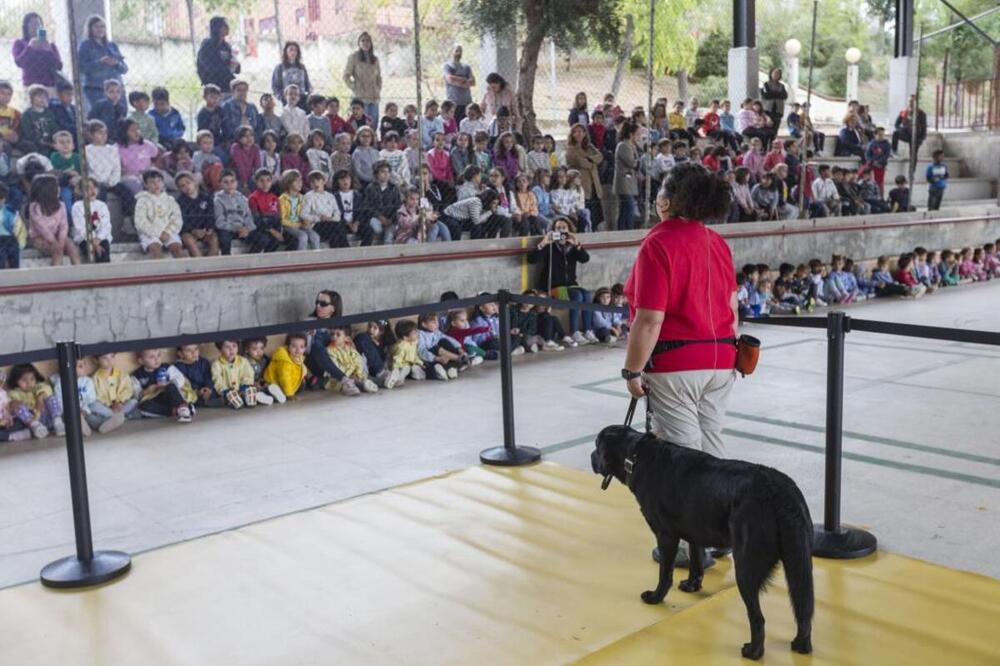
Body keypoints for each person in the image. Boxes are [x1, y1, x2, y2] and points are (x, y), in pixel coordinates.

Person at [622, 163, 738, 567]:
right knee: (713, 447)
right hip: (723, 358)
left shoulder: (658, 244)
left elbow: (650, 317)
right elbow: (732, 307)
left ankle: (692, 546)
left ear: (666, 201)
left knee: (681, 456)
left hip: (676, 362)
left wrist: (632, 370)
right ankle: (723, 532)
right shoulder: (716, 242)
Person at [527, 217, 596, 344]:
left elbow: (585, 259)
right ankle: (574, 331)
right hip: (554, 287)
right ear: (553, 231)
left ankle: (588, 329)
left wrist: (577, 245)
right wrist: (543, 243)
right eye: (558, 228)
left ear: (569, 230)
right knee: (577, 296)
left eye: (564, 228)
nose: (561, 231)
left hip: (571, 285)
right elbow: (531, 259)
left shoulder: (572, 247)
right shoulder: (550, 247)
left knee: (586, 294)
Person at [28, 174, 79, 266]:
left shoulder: (61, 205)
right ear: (47, 190)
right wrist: (54, 242)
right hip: (39, 237)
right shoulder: (35, 207)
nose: (59, 189)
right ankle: (56, 274)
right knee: (57, 249)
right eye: (56, 186)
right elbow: (42, 228)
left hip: (57, 236)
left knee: (72, 246)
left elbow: (64, 225)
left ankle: (79, 272)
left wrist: (61, 240)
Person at [78, 16, 127, 111]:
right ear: (90, 29)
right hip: (96, 89)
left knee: (121, 114)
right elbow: (82, 68)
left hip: (116, 89)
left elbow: (124, 69)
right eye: (96, 26)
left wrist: (116, 63)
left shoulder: (112, 45)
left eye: (102, 26)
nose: (100, 29)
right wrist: (100, 62)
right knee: (101, 115)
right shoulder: (85, 46)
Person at [134, 169, 184, 259]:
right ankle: (160, 272)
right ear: (146, 185)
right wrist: (157, 233)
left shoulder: (170, 200)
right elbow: (140, 222)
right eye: (152, 182)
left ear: (163, 183)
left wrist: (168, 231)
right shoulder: (142, 201)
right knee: (155, 249)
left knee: (176, 248)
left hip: (168, 231)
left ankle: (184, 271)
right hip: (150, 233)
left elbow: (177, 218)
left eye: (159, 181)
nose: (156, 184)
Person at [565, 122, 603, 230]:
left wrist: (590, 159)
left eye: (580, 132)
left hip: (594, 182)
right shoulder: (571, 149)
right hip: (582, 183)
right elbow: (580, 162)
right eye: (575, 132)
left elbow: (600, 156)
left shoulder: (590, 147)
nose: (578, 134)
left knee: (596, 211)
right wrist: (591, 161)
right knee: (585, 209)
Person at [12, 13, 64, 92]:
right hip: (31, 85)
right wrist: (29, 48)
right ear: (26, 27)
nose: (35, 27)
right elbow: (20, 63)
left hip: (49, 84)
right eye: (32, 24)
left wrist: (49, 51)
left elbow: (59, 66)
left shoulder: (50, 45)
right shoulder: (20, 43)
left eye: (38, 24)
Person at [342, 32, 382, 124]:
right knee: (361, 124)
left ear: (371, 43)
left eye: (368, 40)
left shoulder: (375, 59)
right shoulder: (353, 57)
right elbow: (346, 75)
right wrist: (354, 87)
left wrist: (378, 88)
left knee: (373, 123)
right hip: (360, 97)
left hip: (374, 96)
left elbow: (379, 77)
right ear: (359, 43)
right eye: (362, 40)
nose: (365, 43)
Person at [197, 17, 240, 94]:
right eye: (224, 25)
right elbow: (211, 69)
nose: (228, 27)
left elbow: (236, 68)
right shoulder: (207, 46)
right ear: (217, 28)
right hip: (213, 86)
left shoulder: (226, 46)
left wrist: (236, 65)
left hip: (227, 84)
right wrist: (228, 69)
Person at [613, 121, 640, 230]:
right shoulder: (623, 146)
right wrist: (637, 160)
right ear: (630, 134)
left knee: (626, 208)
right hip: (624, 182)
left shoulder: (631, 146)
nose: (638, 136)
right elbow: (632, 162)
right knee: (628, 207)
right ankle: (626, 229)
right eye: (637, 134)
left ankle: (624, 229)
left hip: (630, 181)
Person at [272, 42, 312, 108]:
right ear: (286, 52)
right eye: (291, 50)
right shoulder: (280, 67)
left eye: (295, 50)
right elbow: (275, 86)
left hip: (302, 100)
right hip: (287, 100)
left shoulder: (301, 67)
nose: (293, 52)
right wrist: (282, 97)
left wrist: (308, 95)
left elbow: (307, 83)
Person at [443, 45, 475, 124]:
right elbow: (450, 79)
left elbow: (473, 82)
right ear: (451, 52)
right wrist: (464, 80)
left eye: (460, 51)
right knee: (455, 125)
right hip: (454, 102)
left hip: (466, 102)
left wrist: (457, 81)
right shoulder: (448, 66)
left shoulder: (467, 67)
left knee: (466, 124)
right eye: (457, 50)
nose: (459, 53)